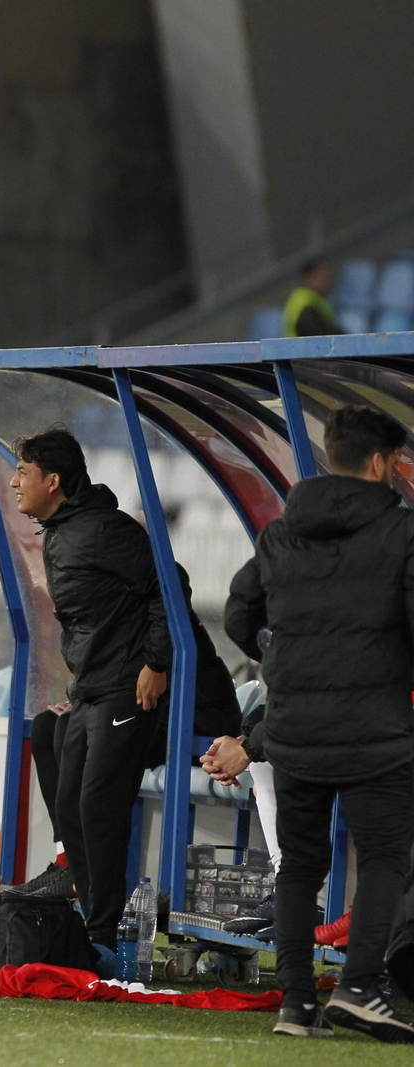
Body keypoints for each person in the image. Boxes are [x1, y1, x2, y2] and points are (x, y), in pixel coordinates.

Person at [225, 406, 414, 1042]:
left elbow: (238, 613)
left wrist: (284, 650)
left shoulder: (281, 534)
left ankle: (296, 1006)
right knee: (388, 855)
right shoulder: (403, 533)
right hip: (376, 730)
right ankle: (360, 988)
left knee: (299, 867)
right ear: (384, 463)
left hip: (296, 728)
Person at [9, 428, 169, 962]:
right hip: (95, 689)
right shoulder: (63, 530)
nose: (14, 483)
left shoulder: (104, 530)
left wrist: (157, 663)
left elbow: (170, 588)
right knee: (72, 802)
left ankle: (103, 939)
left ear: (53, 481)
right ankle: (84, 901)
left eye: (23, 473)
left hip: (130, 689)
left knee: (98, 806)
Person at [25, 564, 240, 896]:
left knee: (72, 729)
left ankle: (89, 872)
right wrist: (84, 703)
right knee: (46, 725)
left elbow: (146, 683)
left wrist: (90, 708)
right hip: (149, 715)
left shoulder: (158, 616)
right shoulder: (117, 614)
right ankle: (68, 859)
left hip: (191, 723)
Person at [283, 260, 342, 338]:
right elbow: (312, 328)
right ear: (308, 277)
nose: (326, 282)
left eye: (327, 278)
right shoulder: (302, 299)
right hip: (301, 348)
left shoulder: (320, 299)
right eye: (321, 277)